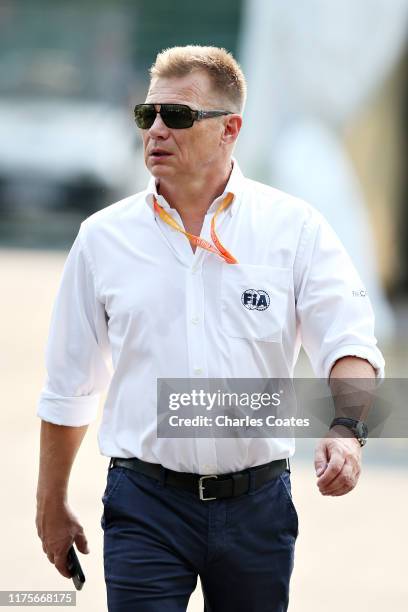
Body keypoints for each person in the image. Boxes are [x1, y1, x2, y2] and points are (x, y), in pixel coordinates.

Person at [35, 45, 385, 612]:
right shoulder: (102, 239)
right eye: (146, 115)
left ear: (229, 130)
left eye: (177, 116)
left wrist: (347, 430)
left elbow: (349, 344)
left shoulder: (294, 230)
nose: (156, 131)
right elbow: (68, 386)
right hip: (144, 504)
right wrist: (50, 502)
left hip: (257, 507)